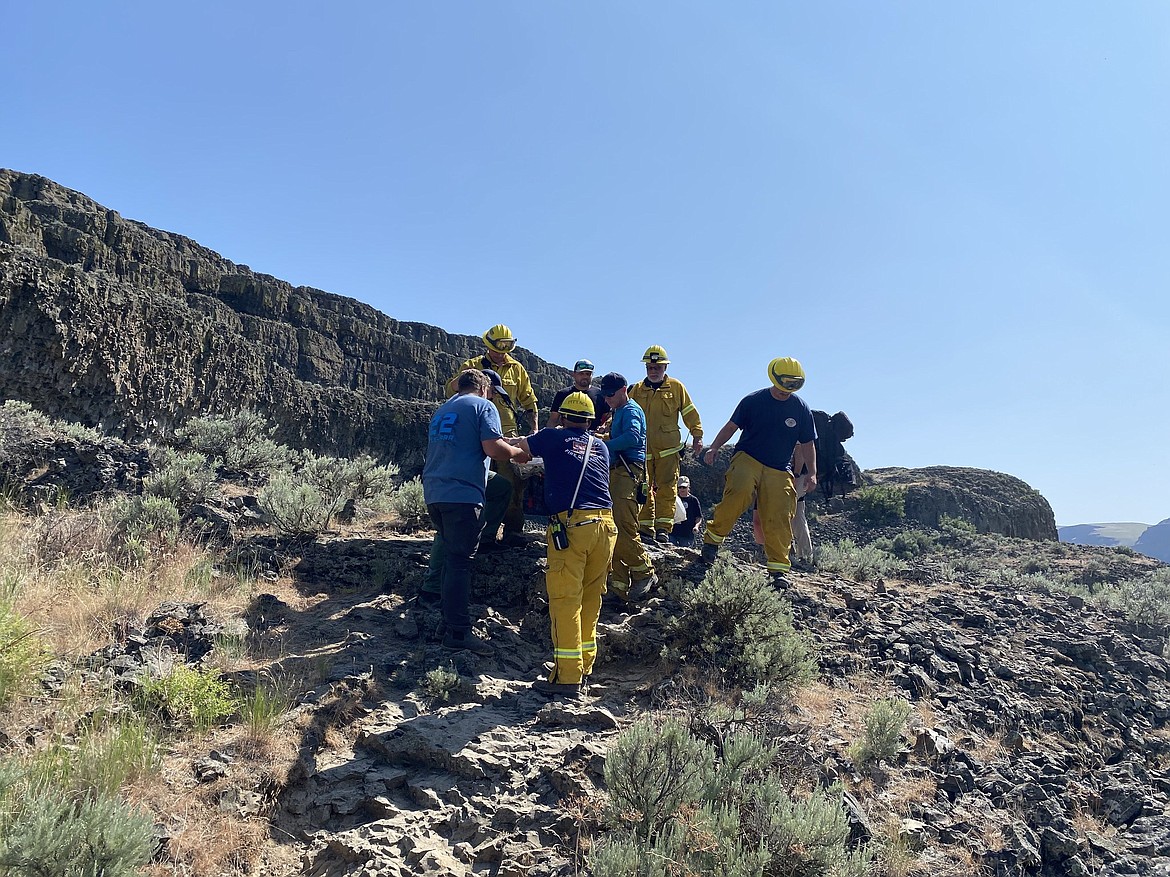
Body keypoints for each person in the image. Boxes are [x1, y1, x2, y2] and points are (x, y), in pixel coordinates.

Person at [513, 392, 617, 699]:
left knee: (564, 600)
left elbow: (519, 451)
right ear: (589, 420)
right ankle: (584, 669)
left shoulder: (552, 437)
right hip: (606, 527)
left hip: (573, 527)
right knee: (590, 601)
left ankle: (566, 678)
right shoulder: (600, 446)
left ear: (561, 416)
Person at [423, 368, 528, 655]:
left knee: (451, 556)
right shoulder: (484, 406)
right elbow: (494, 449)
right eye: (492, 392)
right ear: (483, 388)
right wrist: (522, 454)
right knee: (459, 562)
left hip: (435, 492)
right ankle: (458, 632)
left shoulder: (443, 410)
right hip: (462, 495)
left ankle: (447, 622)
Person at [701, 357, 817, 585]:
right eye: (785, 384)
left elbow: (807, 443)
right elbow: (731, 426)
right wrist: (714, 447)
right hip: (748, 458)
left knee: (780, 512)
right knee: (739, 491)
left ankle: (778, 570)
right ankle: (712, 541)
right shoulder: (753, 401)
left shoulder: (801, 409)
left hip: (779, 467)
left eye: (793, 385)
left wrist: (812, 472)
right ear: (774, 378)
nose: (788, 390)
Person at [448, 324, 540, 540]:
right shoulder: (473, 365)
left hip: (507, 435)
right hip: (476, 435)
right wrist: (471, 378)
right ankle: (476, 534)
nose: (502, 352)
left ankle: (512, 532)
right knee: (476, 482)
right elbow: (452, 390)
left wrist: (533, 429)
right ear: (488, 346)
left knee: (512, 485)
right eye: (498, 347)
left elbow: (529, 401)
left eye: (507, 347)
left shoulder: (517, 369)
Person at [628, 345, 703, 543]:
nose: (653, 371)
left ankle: (663, 529)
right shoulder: (636, 390)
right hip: (643, 451)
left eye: (657, 367)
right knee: (643, 489)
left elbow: (689, 412)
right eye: (650, 367)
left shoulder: (676, 387)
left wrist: (697, 434)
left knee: (667, 489)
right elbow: (626, 415)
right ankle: (645, 527)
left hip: (669, 451)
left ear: (665, 367)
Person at [598, 372, 656, 601]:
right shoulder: (618, 411)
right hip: (617, 472)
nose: (607, 399)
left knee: (623, 527)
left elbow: (632, 437)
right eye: (604, 395)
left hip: (628, 472)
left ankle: (644, 571)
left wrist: (605, 444)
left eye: (610, 395)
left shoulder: (631, 411)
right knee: (611, 528)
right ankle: (619, 585)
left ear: (623, 390)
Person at [549, 359, 609, 430]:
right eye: (581, 373)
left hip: (592, 438)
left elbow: (607, 416)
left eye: (588, 374)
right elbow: (553, 419)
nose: (585, 376)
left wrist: (604, 426)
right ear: (574, 374)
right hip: (566, 436)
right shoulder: (562, 394)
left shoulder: (600, 394)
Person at [670, 476, 704, 547]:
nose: (682, 489)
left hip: (687, 535)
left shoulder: (694, 500)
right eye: (680, 487)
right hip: (672, 532)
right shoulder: (673, 499)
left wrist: (696, 526)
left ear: (688, 487)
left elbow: (698, 517)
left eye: (684, 487)